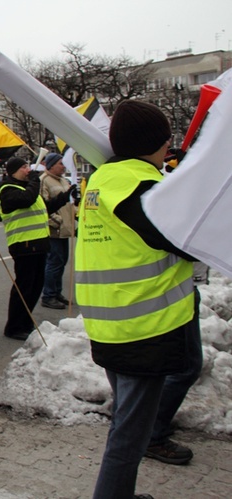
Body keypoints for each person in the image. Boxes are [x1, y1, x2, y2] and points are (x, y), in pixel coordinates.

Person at [76, 100, 202, 499]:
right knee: (129, 436)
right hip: (144, 330)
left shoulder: (105, 179)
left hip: (114, 325)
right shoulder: (142, 189)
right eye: (167, 141)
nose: (170, 147)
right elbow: (187, 243)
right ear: (156, 143)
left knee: (128, 427)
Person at [0, 157, 74, 341]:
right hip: (24, 245)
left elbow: (46, 207)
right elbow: (27, 199)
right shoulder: (7, 190)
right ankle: (14, 327)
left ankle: (26, 321)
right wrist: (35, 180)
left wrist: (67, 195)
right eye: (24, 167)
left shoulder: (28, 189)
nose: (28, 169)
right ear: (13, 171)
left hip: (38, 244)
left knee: (35, 286)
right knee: (24, 287)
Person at [39, 152, 78, 310]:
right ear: (51, 165)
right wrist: (57, 221)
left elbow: (69, 203)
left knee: (62, 262)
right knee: (54, 263)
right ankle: (48, 295)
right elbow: (43, 207)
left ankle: (57, 292)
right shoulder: (43, 181)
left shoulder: (63, 180)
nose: (63, 166)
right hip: (54, 229)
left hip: (66, 229)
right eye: (60, 163)